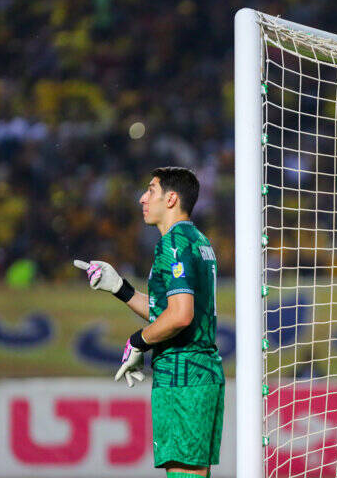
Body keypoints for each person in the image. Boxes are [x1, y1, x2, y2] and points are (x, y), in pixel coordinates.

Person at [74, 166, 224, 477]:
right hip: (200, 372)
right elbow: (166, 311)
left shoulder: (174, 243)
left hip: (183, 376)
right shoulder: (197, 239)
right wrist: (119, 287)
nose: (143, 198)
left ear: (171, 199)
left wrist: (138, 341)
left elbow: (180, 316)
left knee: (183, 473)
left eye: (151, 191)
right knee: (192, 472)